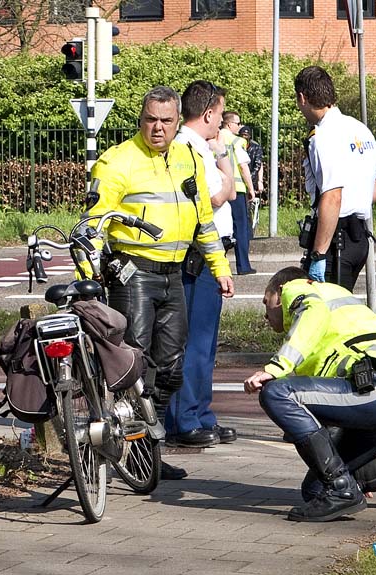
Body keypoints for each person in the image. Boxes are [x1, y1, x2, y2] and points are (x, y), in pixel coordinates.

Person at [87, 86, 235, 480]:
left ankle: (148, 449)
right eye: (150, 119)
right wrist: (87, 277)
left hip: (176, 273)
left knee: (169, 368)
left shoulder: (186, 157)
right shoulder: (117, 161)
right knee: (133, 365)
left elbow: (204, 218)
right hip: (133, 272)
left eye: (166, 121)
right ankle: (129, 451)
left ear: (176, 122)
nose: (158, 128)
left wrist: (219, 267)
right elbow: (93, 225)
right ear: (141, 119)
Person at [244, 267, 376, 522]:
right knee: (316, 489)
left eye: (266, 302)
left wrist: (275, 368)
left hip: (375, 386)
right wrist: (348, 471)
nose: (266, 314)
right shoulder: (336, 314)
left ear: (279, 291)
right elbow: (327, 418)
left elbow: (312, 312)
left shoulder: (299, 288)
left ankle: (342, 488)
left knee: (276, 393)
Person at [164, 80, 239, 450]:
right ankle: (183, 419)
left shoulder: (201, 147)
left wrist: (222, 154)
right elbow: (215, 197)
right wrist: (224, 178)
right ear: (208, 113)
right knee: (191, 342)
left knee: (205, 344)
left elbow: (232, 191)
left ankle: (200, 413)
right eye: (220, 114)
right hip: (197, 257)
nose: (222, 122)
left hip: (212, 254)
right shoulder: (184, 148)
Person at [294, 66, 376, 290]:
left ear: (302, 98)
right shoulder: (357, 128)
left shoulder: (322, 136)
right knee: (341, 308)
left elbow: (332, 197)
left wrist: (318, 255)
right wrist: (358, 199)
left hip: (335, 242)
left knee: (327, 316)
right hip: (358, 239)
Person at [221, 111, 257, 275]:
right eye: (237, 123)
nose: (240, 126)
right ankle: (243, 265)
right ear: (229, 124)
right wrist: (251, 189)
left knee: (218, 227)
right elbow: (243, 167)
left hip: (218, 190)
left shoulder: (213, 138)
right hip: (237, 190)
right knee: (240, 228)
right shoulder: (237, 141)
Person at [238, 125, 264, 203]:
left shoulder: (255, 147)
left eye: (246, 135)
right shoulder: (236, 145)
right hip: (239, 181)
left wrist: (259, 181)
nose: (244, 138)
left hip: (251, 179)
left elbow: (258, 164)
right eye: (242, 135)